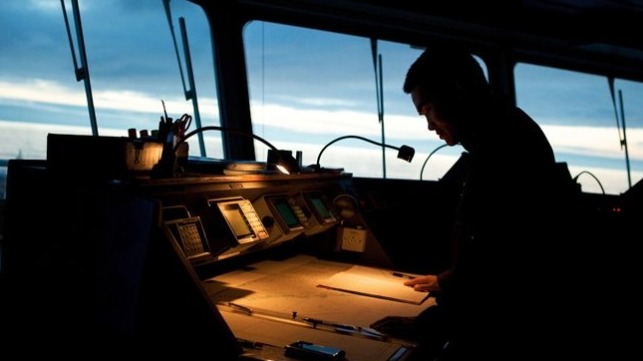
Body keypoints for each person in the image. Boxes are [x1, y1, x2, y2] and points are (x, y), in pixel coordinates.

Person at [370, 46, 576, 360]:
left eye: (427, 110)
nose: (428, 125)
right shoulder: (500, 135)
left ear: (457, 91)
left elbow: (507, 273)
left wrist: (431, 323)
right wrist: (447, 280)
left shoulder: (504, 151)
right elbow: (487, 252)